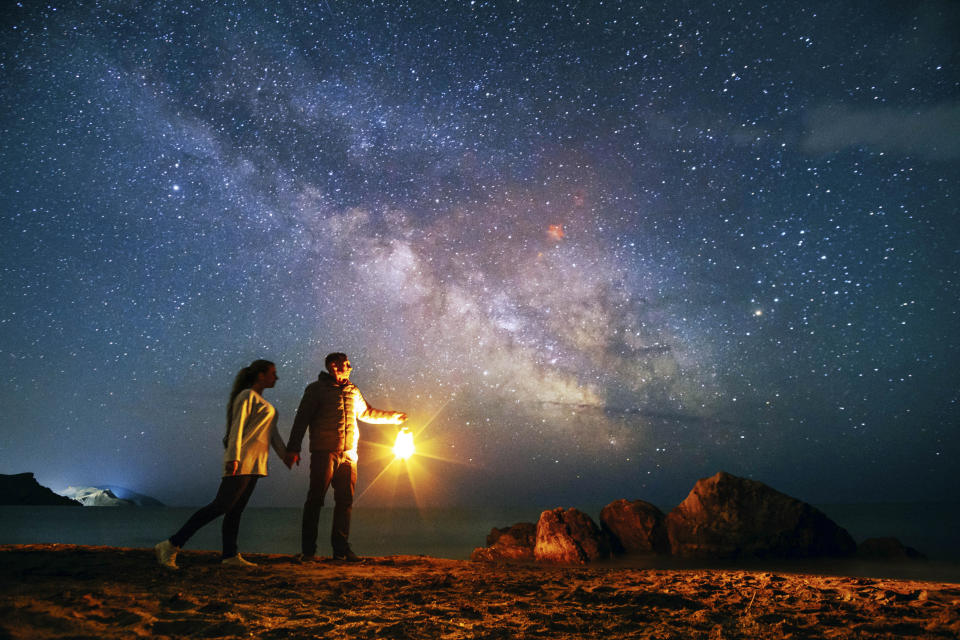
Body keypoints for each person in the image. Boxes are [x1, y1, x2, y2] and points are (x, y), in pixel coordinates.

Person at [154, 359, 289, 570]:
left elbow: (273, 435)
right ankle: (171, 545)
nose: (276, 377)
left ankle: (230, 555)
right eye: (273, 373)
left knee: (235, 510)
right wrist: (232, 458)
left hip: (256, 464)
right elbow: (237, 428)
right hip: (241, 460)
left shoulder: (266, 405)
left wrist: (286, 455)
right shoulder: (247, 396)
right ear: (260, 375)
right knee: (221, 506)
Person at [286, 352, 406, 562]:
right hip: (325, 452)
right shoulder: (316, 390)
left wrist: (393, 417)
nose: (350, 367)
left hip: (350, 454)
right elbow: (301, 419)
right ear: (334, 366)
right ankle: (308, 551)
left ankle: (341, 550)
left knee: (345, 501)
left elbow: (367, 413)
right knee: (315, 500)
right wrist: (293, 448)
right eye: (346, 364)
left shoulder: (353, 390)